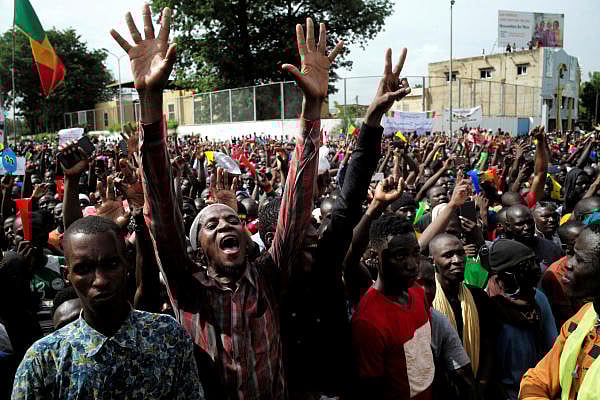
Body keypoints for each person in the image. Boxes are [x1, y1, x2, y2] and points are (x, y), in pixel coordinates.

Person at [110, 5, 343, 399]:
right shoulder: (189, 291)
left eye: (231, 219)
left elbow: (297, 202)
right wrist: (150, 101)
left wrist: (311, 110)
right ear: (198, 249)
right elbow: (163, 219)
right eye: (210, 224)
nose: (225, 225)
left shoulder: (269, 277)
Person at [12, 216, 204, 399]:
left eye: (111, 264)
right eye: (83, 269)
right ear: (66, 275)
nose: (100, 280)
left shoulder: (167, 336)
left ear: (127, 263)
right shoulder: (44, 359)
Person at [352, 214, 434, 399]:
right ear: (375, 256)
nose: (413, 265)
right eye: (400, 256)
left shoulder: (418, 293)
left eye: (415, 253)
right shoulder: (368, 322)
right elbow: (370, 390)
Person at [519, 224, 600, 400]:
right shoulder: (584, 317)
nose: (567, 264)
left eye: (580, 259)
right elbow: (536, 381)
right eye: (571, 253)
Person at [485, 239, 557, 400]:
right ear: (504, 277)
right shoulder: (486, 306)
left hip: (536, 389)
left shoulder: (538, 299)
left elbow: (553, 349)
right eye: (523, 270)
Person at [428, 233, 497, 396]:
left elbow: (488, 345)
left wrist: (481, 385)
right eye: (448, 255)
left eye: (460, 253)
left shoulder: (479, 297)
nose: (457, 260)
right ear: (433, 261)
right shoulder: (427, 302)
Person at [416, 258, 478, 400]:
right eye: (418, 283)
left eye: (430, 283)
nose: (425, 290)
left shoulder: (438, 321)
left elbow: (464, 374)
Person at [541, 221, 586, 330]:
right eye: (581, 239)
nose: (588, 240)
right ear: (567, 246)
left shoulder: (592, 260)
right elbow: (565, 317)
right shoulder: (556, 274)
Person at [504, 205, 563, 273]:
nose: (527, 227)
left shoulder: (552, 248)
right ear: (508, 226)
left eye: (530, 222)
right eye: (520, 224)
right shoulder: (503, 253)